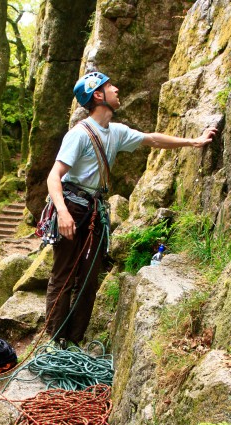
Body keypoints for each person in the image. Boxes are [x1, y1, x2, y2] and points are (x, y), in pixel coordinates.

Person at [45, 71, 217, 346]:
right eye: (110, 86)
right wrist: (63, 213)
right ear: (98, 95)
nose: (117, 89)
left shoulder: (116, 132)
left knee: (89, 280)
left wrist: (193, 142)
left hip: (94, 212)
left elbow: (153, 139)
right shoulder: (79, 135)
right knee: (63, 277)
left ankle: (73, 344)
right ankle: (55, 343)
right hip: (72, 208)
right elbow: (54, 176)